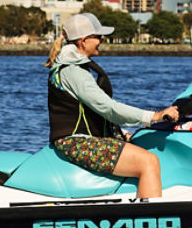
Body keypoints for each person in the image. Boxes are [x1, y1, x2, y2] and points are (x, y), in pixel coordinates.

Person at [45, 12, 179, 198]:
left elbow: (88, 111)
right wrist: (153, 117)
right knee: (148, 162)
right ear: (84, 41)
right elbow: (108, 108)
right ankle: (150, 220)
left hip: (80, 139)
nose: (102, 40)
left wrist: (118, 132)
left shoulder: (70, 67)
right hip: (77, 143)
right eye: (98, 36)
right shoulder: (73, 71)